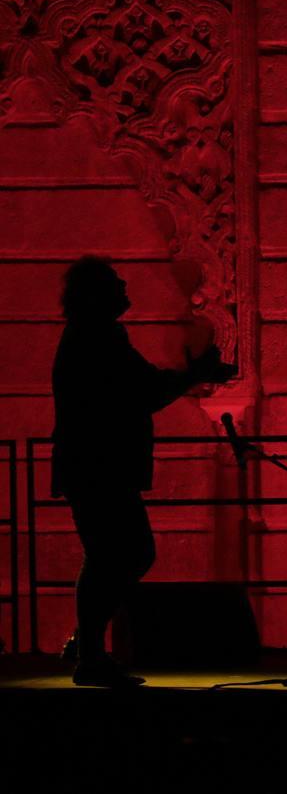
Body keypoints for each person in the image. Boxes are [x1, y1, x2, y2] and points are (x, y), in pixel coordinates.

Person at [52, 257, 235, 686]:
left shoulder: (88, 335)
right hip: (101, 466)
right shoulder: (99, 337)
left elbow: (140, 387)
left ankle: (89, 644)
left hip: (91, 465)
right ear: (99, 294)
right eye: (116, 283)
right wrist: (195, 374)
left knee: (108, 555)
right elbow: (143, 390)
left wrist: (189, 376)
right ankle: (90, 651)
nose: (124, 288)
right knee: (125, 554)